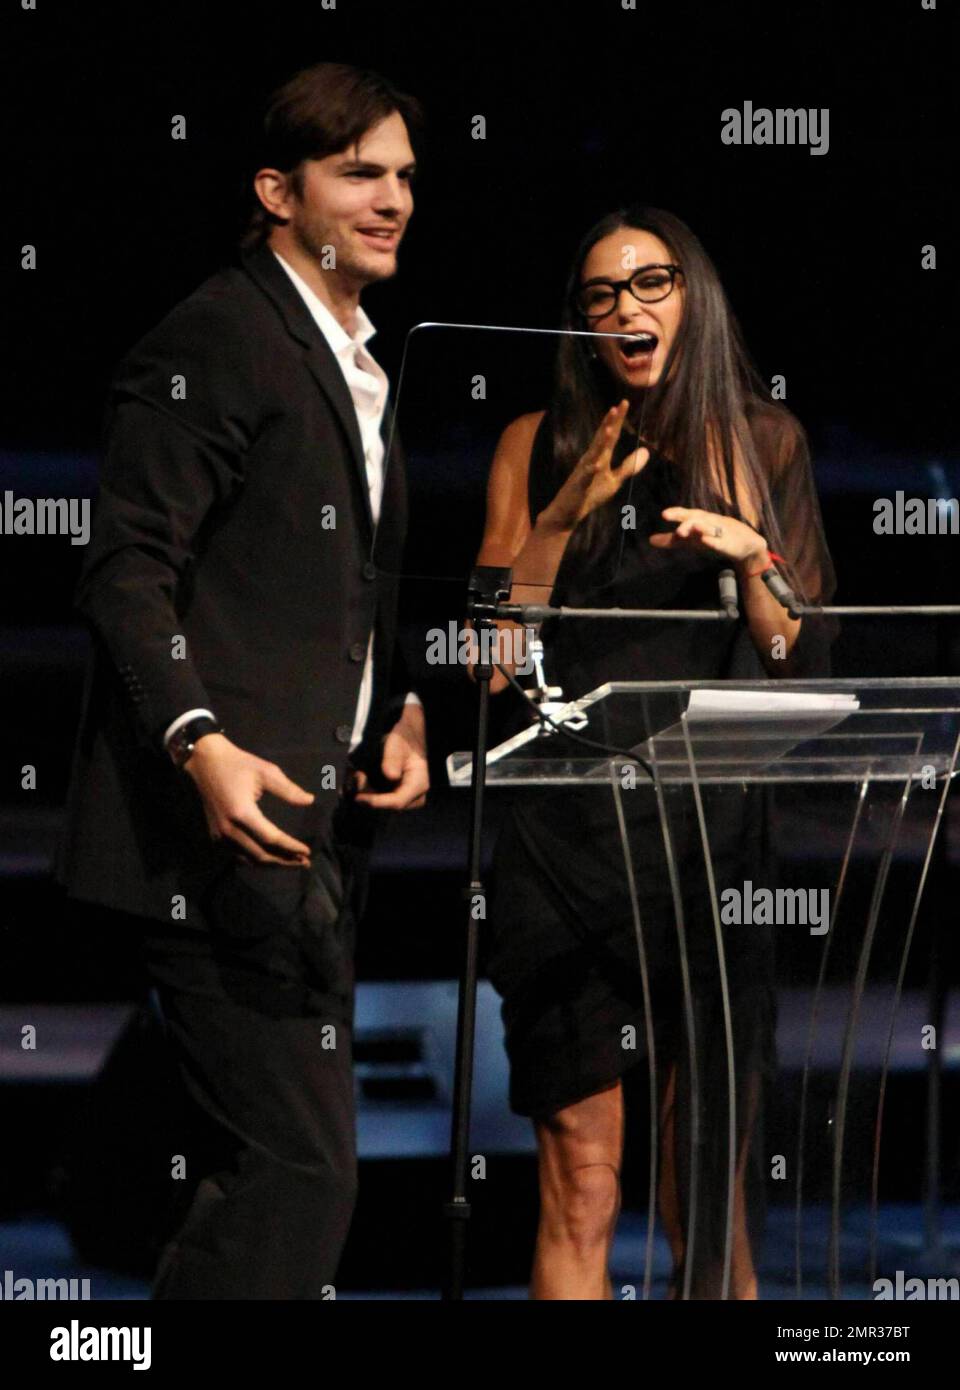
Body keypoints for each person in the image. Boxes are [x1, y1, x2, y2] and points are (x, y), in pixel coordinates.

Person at [54, 63, 430, 1298]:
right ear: (278, 189)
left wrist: (404, 709)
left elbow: (350, 587)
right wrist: (197, 737)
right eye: (359, 173)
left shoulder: (358, 361)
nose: (393, 199)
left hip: (309, 828)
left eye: (406, 176)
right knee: (300, 1172)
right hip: (215, 832)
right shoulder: (218, 335)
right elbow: (125, 568)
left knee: (278, 1170)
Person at [474, 207, 835, 1299]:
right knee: (582, 1181)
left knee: (705, 1194)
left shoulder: (761, 439)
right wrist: (564, 511)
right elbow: (492, 661)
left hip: (703, 854)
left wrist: (748, 552)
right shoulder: (531, 442)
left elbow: (796, 658)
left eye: (651, 283)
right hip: (561, 847)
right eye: (600, 294)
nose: (625, 306)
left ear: (694, 300)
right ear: (581, 323)